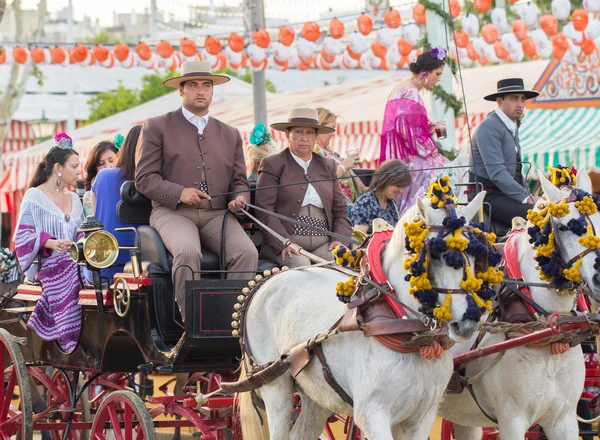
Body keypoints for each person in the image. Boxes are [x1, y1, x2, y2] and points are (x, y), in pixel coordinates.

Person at [135, 60, 258, 319]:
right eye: (193, 85)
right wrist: (179, 192)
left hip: (216, 214)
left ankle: (235, 322)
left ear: (212, 90)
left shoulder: (231, 133)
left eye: (206, 85)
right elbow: (144, 178)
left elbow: (239, 180)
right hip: (172, 212)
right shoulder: (157, 126)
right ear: (181, 90)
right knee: (188, 251)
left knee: (247, 252)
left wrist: (240, 198)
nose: (200, 90)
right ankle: (191, 322)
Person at [14, 133, 85, 354]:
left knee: (95, 274)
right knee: (74, 273)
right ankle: (68, 333)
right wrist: (50, 243)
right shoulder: (34, 197)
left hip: (77, 262)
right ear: (58, 168)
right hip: (50, 266)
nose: (79, 171)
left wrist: (81, 245)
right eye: (74, 166)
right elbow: (22, 238)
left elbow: (83, 232)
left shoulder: (75, 198)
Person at [256, 107, 352, 268]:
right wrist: (284, 242)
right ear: (288, 134)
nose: (305, 138)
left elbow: (340, 209)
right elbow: (264, 210)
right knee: (302, 267)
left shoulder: (327, 165)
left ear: (315, 136)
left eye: (310, 133)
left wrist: (339, 240)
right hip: (286, 244)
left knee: (341, 265)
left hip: (324, 244)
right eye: (299, 132)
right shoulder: (273, 164)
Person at [380, 46, 449, 216]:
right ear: (425, 73)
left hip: (402, 156)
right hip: (407, 159)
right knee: (444, 170)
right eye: (438, 74)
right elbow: (406, 130)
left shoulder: (406, 89)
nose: (438, 79)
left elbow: (406, 126)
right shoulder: (411, 92)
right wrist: (431, 150)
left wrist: (428, 129)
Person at [468, 78, 539, 228]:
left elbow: (516, 170)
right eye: (514, 98)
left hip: (505, 195)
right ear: (500, 102)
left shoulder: (510, 125)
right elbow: (497, 173)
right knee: (541, 216)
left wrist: (528, 192)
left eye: (522, 99)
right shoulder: (489, 127)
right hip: (487, 195)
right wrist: (526, 198)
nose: (520, 104)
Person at [90, 125, 143, 281]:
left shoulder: (103, 176)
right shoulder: (156, 179)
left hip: (106, 264)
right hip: (146, 260)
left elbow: (95, 219)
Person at [315, 107, 367, 204]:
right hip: (336, 206)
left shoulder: (330, 152)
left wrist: (365, 189)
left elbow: (349, 172)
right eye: (331, 128)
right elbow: (322, 181)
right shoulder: (313, 152)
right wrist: (344, 166)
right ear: (319, 128)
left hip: (349, 204)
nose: (333, 134)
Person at [351, 160, 411, 234]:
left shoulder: (392, 204)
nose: (401, 190)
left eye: (403, 187)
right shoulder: (365, 203)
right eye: (398, 185)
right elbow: (359, 240)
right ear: (385, 180)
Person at [82, 140, 118, 216]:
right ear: (95, 169)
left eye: (111, 160)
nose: (108, 166)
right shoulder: (88, 197)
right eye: (101, 163)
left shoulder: (128, 187)